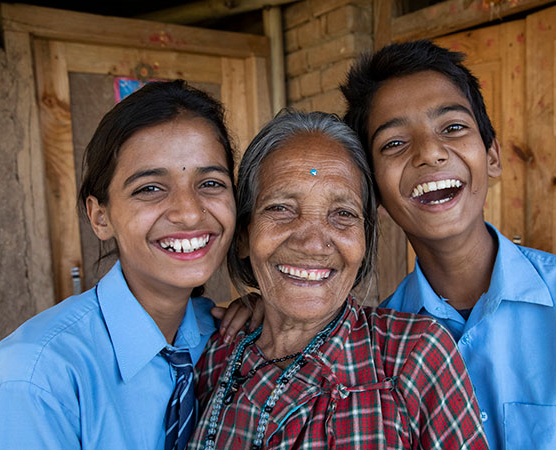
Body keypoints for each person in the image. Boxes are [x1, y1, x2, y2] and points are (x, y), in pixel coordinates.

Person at [340, 40, 556, 449]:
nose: (430, 153)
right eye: (394, 143)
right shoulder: (380, 342)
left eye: (453, 128)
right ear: (375, 194)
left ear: (492, 156)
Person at [0, 80, 254, 450]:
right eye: (150, 188)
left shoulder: (222, 338)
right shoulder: (36, 378)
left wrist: (280, 314)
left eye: (210, 183)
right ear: (100, 216)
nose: (189, 212)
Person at [186, 110, 488, 450]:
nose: (313, 243)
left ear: (364, 239)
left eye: (342, 214)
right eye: (281, 208)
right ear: (244, 235)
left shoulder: (413, 356)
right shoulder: (216, 354)